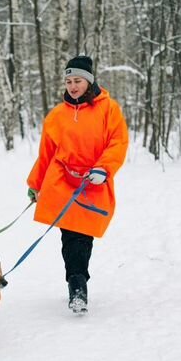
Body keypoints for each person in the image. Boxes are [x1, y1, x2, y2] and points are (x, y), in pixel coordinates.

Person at [27, 55, 129, 314]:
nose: (73, 86)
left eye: (78, 81)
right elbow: (46, 153)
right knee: (70, 236)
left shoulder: (109, 109)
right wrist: (36, 183)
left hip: (93, 181)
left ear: (89, 82)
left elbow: (118, 142)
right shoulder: (56, 116)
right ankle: (77, 285)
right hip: (63, 181)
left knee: (83, 237)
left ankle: (77, 280)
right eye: (69, 81)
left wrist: (104, 168)